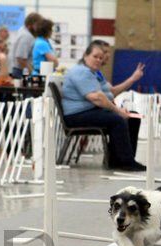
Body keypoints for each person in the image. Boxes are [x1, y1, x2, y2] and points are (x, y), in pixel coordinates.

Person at [62, 42, 145, 171]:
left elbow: (110, 93)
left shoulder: (94, 73)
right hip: (76, 115)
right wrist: (117, 111)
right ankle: (125, 161)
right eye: (96, 57)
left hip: (89, 111)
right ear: (85, 55)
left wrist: (133, 79)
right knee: (117, 120)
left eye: (101, 58)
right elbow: (97, 98)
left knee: (133, 117)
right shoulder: (81, 72)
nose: (99, 60)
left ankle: (120, 160)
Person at [10, 13, 42, 78]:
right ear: (30, 25)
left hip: (20, 70)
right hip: (21, 72)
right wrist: (33, 74)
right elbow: (20, 58)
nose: (39, 28)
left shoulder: (22, 30)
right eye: (37, 25)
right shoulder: (26, 36)